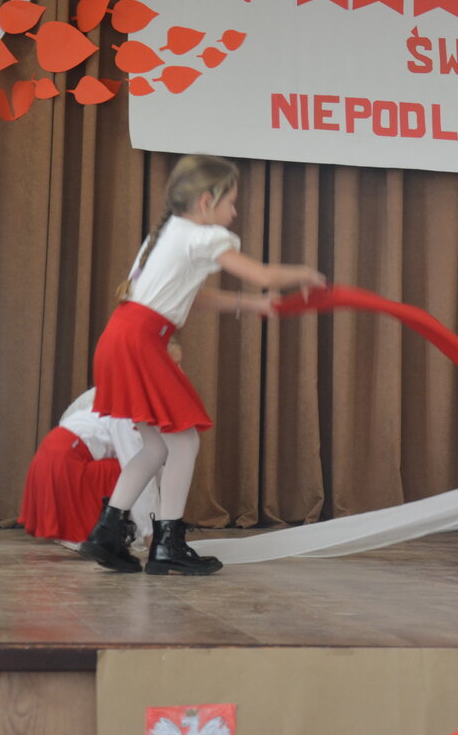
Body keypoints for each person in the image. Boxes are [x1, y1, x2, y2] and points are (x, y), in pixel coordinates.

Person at [79, 155, 324, 576]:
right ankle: (168, 544)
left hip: (120, 337)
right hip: (140, 342)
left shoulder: (167, 234)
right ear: (207, 201)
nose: (234, 212)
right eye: (231, 202)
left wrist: (250, 305)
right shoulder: (204, 236)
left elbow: (193, 294)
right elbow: (262, 275)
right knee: (184, 442)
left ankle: (107, 532)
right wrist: (305, 273)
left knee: (157, 446)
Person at [18, 338, 185, 552]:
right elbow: (139, 471)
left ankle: (109, 532)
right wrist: (152, 536)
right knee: (140, 472)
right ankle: (100, 534)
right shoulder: (129, 404)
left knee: (147, 468)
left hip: (54, 460)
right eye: (174, 365)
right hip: (65, 466)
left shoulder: (124, 391)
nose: (181, 373)